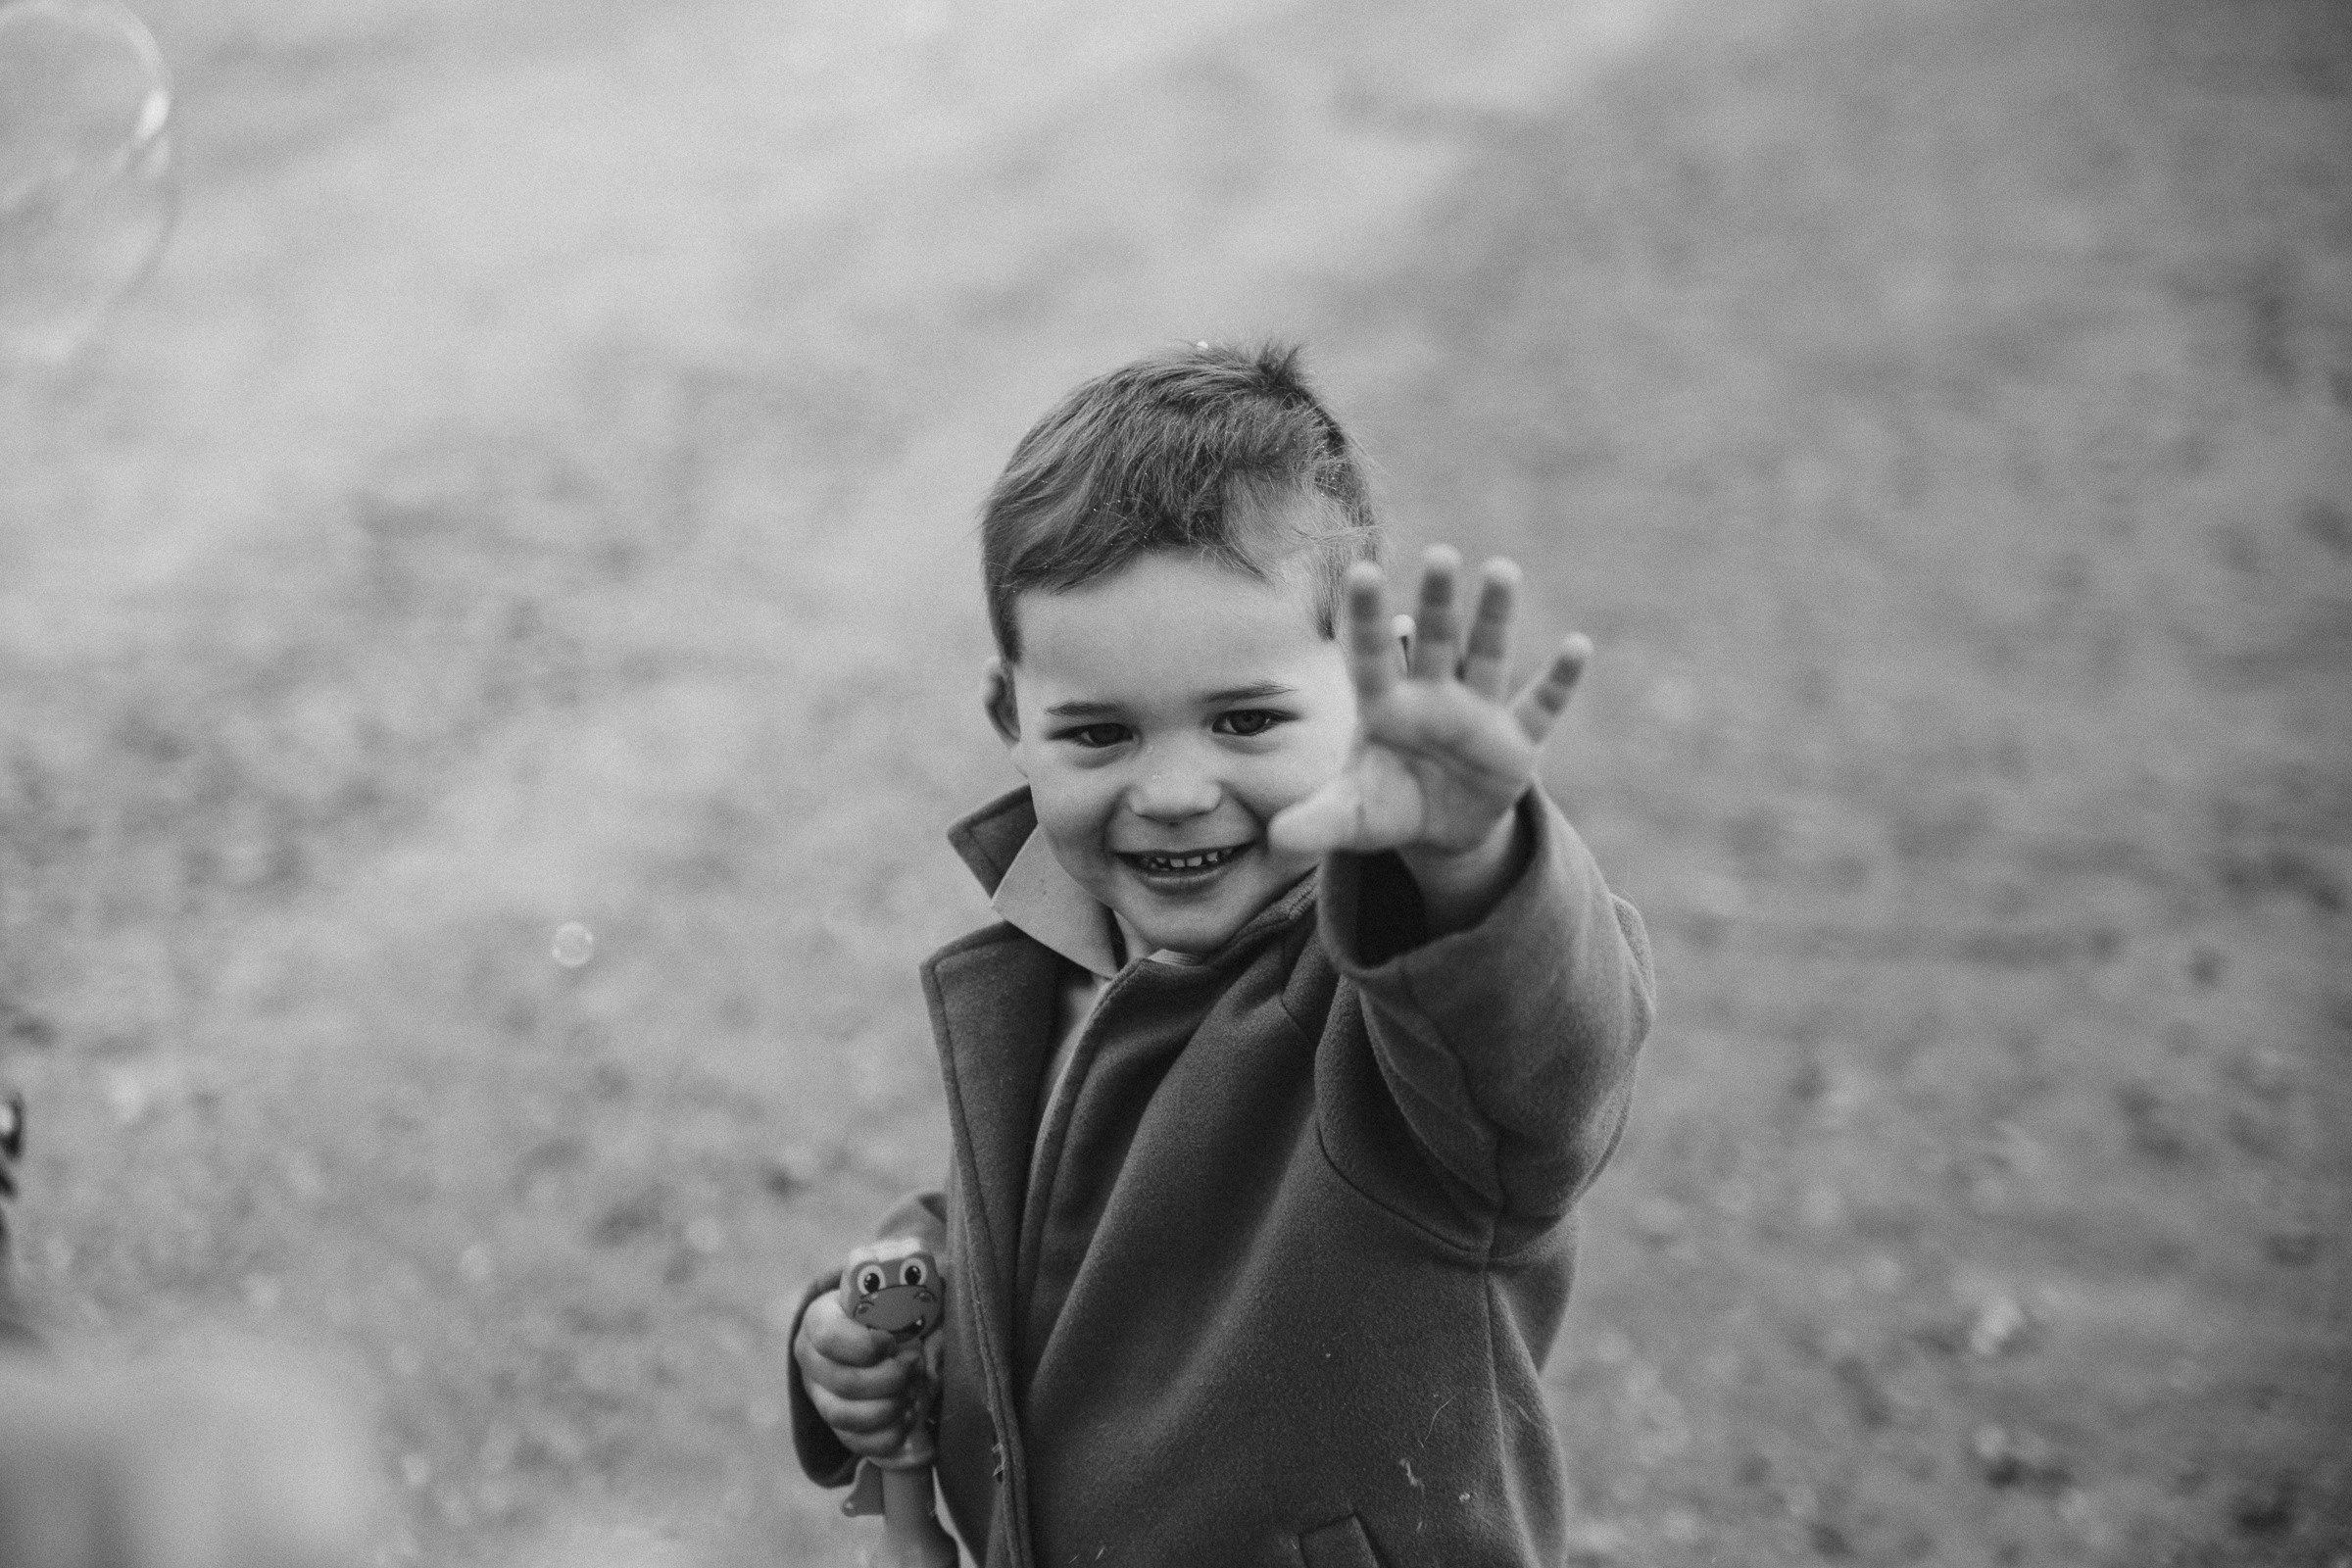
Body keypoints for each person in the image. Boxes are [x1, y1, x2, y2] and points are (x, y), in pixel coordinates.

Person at [789, 341, 1655, 1566]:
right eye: (1097, 733)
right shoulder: (1046, 959)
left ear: (1370, 684)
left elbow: (1548, 1072)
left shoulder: (1393, 1007)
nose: (1177, 791)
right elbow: (1047, 1236)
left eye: (1246, 719)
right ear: (1010, 721)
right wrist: (879, 1318)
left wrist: (1471, 866)